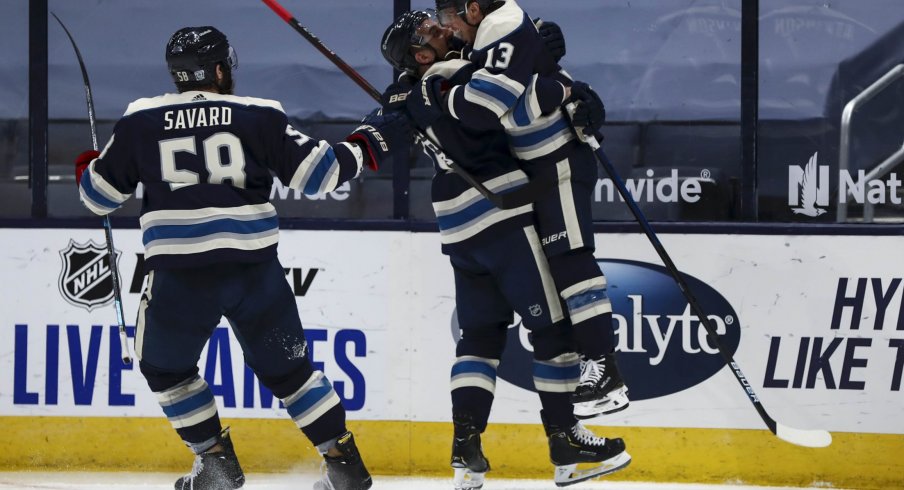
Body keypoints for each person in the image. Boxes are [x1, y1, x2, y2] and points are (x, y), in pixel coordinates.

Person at [75, 26, 408, 490]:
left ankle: (215, 463)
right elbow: (321, 175)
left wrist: (87, 163)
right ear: (218, 69)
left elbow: (97, 197)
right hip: (254, 271)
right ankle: (344, 464)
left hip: (179, 276)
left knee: (165, 369)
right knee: (291, 372)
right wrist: (376, 135)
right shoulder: (258, 114)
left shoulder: (140, 119)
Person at [380, 10, 631, 488]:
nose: (444, 29)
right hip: (500, 217)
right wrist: (553, 74)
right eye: (431, 32)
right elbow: (508, 101)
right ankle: (565, 441)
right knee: (553, 329)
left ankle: (465, 447)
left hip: (456, 226)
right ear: (420, 55)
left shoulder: (415, 94)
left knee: (479, 336)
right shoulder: (456, 74)